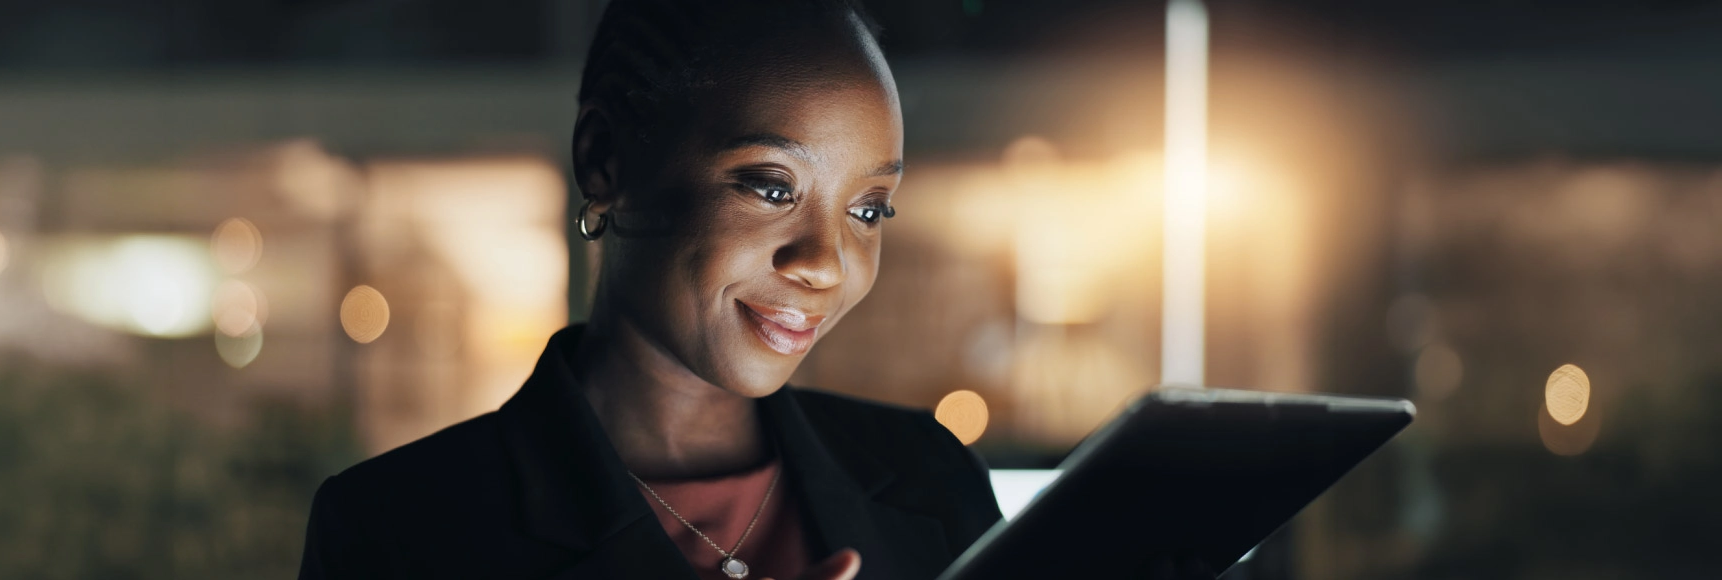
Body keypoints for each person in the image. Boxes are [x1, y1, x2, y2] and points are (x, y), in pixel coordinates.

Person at [298, 1, 1211, 578]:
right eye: (771, 186)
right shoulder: (402, 530)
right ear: (605, 161)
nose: (824, 261)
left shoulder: (927, 478)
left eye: (869, 209)